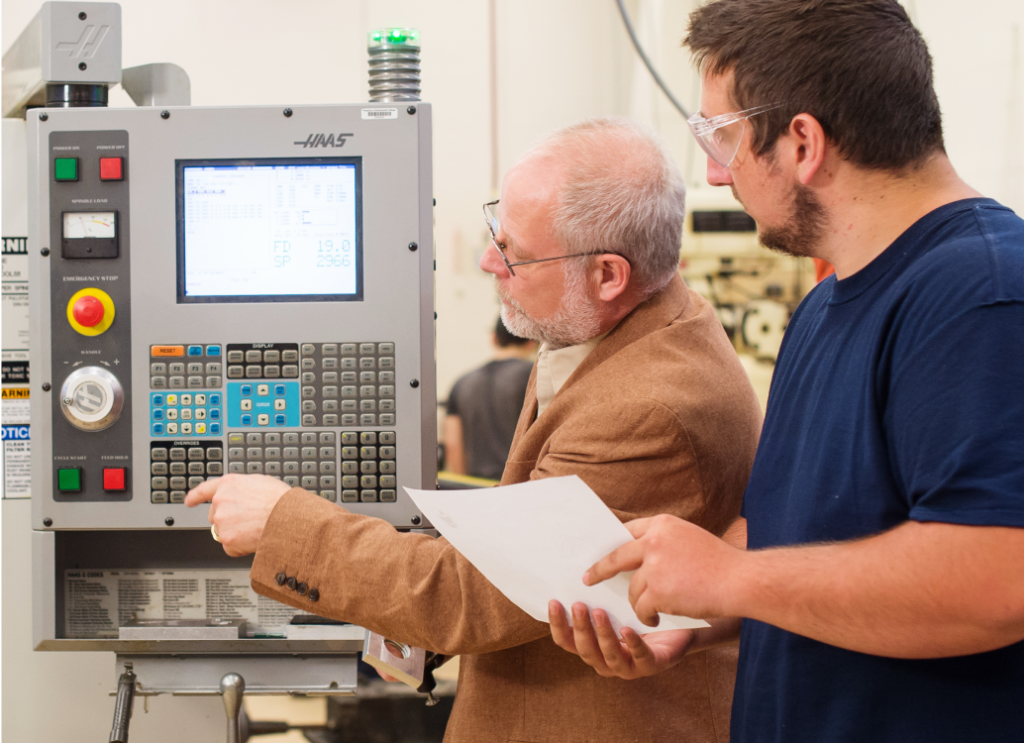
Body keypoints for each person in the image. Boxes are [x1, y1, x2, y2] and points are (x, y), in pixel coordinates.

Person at [185, 117, 762, 743]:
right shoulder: (612, 327)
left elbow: (471, 596)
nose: (489, 260)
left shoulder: (650, 407)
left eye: (513, 251)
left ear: (608, 274)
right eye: (496, 229)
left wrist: (283, 524)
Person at [548, 2, 1024, 742]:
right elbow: (804, 537)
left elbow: (997, 576)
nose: (712, 174)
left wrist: (728, 577)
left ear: (803, 141)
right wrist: (699, 613)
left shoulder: (982, 296)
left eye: (722, 138)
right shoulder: (825, 307)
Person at [443, 316, 535, 480]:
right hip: (519, 486)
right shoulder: (534, 377)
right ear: (532, 342)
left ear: (493, 338)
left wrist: (466, 486)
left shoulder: (462, 382)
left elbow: (453, 444)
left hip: (476, 488)